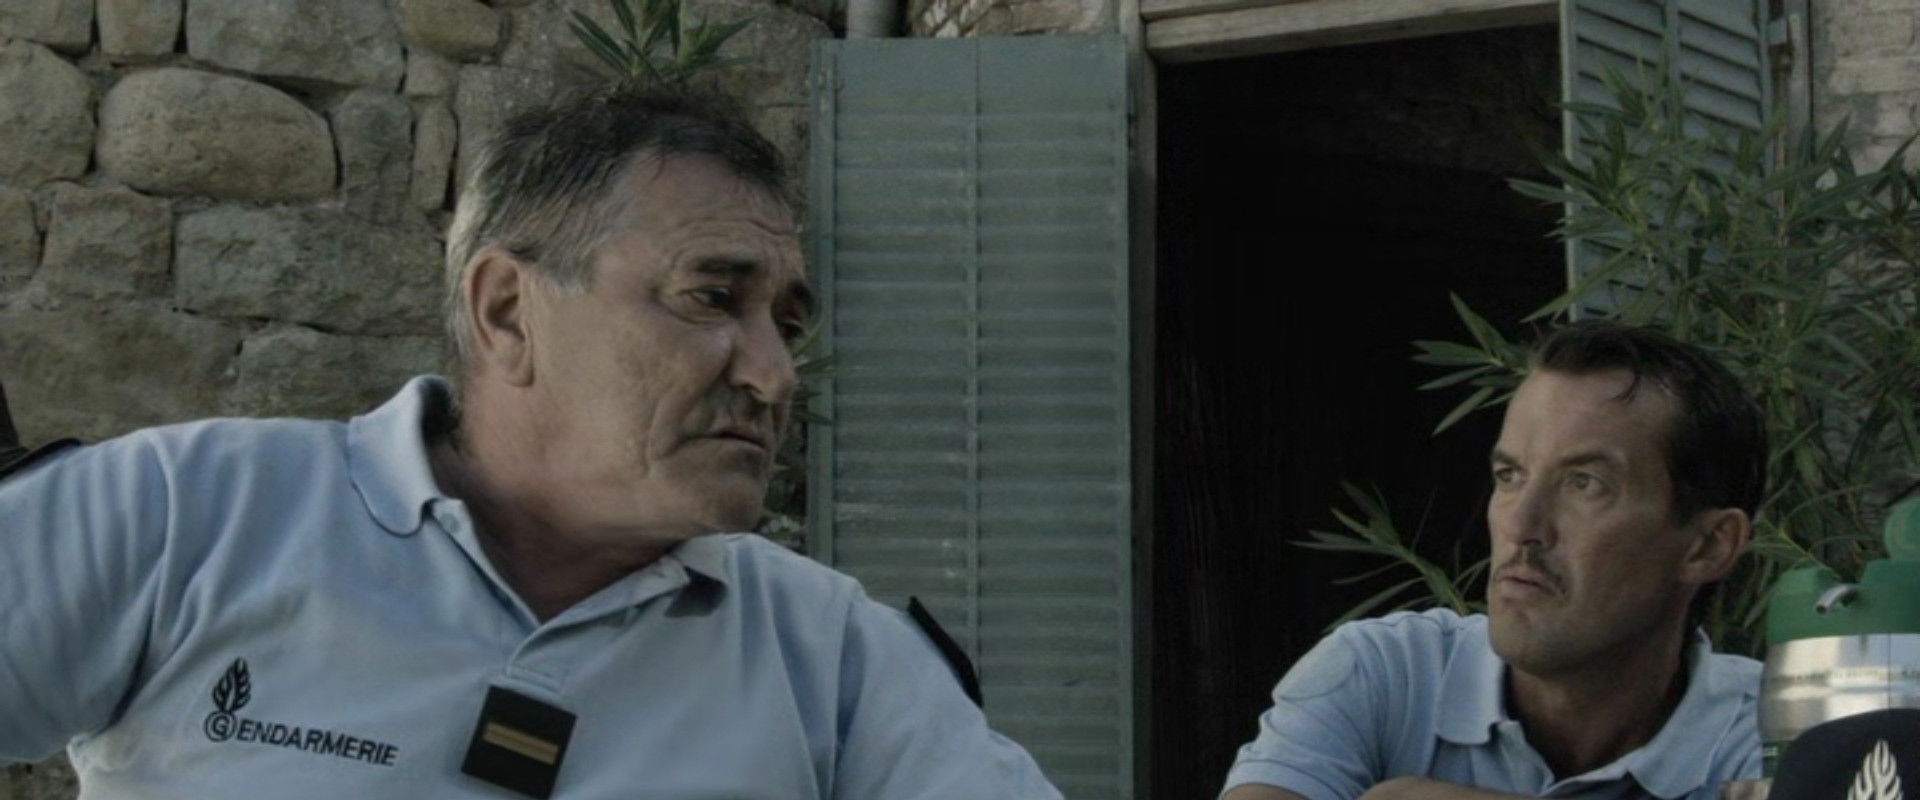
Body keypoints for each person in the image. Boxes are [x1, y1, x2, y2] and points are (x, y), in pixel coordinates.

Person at [0, 85, 1061, 799]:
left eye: (786, 322)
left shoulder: (830, 657)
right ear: (509, 311)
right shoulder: (189, 513)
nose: (774, 374)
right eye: (712, 298)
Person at [1221, 322, 1767, 800]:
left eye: (1585, 483)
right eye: (1510, 476)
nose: (1521, 526)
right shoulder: (1387, 675)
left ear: (1708, 546)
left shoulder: (1777, 731)